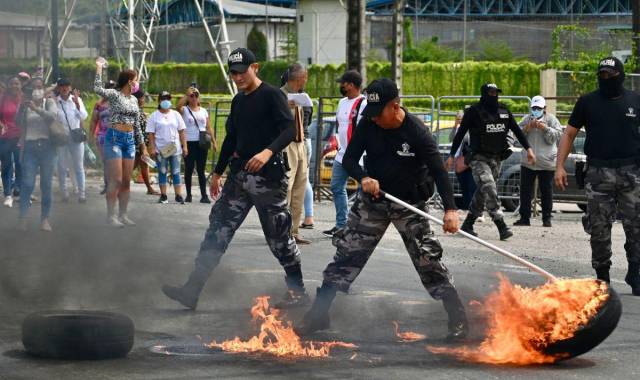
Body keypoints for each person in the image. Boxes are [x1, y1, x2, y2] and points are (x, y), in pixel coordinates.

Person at [296, 79, 468, 340]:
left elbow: (438, 171)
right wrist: (363, 177)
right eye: (370, 113)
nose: (373, 119)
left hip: (409, 204)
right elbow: (350, 158)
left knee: (428, 258)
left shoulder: (417, 132)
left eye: (378, 113)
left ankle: (458, 319)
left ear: (395, 107)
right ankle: (319, 314)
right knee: (347, 253)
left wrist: (451, 210)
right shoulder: (369, 124)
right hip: (374, 200)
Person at [161, 48, 309, 310]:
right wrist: (217, 172)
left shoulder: (272, 95)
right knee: (217, 231)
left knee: (279, 238)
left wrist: (267, 152)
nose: (238, 78)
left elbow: (289, 129)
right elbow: (231, 138)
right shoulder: (239, 100)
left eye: (242, 72)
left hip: (269, 178)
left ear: (256, 68)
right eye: (233, 73)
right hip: (239, 177)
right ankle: (192, 290)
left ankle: (297, 292)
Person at [555, 57, 640, 295]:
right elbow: (569, 134)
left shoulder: (635, 100)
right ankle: (602, 276)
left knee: (636, 227)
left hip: (631, 172)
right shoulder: (587, 102)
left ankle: (635, 271)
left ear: (620, 75)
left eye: (610, 75)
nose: (606, 79)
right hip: (598, 173)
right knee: (599, 229)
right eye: (602, 75)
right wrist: (559, 166)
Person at [447, 83, 536, 240]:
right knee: (489, 186)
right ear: (484, 93)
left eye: (496, 92)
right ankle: (501, 224)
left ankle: (468, 224)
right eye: (491, 92)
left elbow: (516, 129)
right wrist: (451, 155)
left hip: (497, 158)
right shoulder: (474, 112)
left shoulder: (503, 110)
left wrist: (528, 149)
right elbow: (460, 134)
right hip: (478, 158)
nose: (494, 95)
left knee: (483, 191)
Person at [94, 60, 150, 227]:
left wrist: (143, 147)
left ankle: (123, 214)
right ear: (129, 81)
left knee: (126, 181)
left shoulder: (133, 100)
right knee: (116, 180)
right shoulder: (114, 94)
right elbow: (97, 89)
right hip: (114, 138)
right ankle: (110, 216)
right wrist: (99, 67)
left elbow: (137, 125)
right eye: (136, 79)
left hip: (129, 140)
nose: (137, 83)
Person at [323, 70, 367, 237]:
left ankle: (361, 225)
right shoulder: (342, 102)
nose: (341, 86)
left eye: (343, 83)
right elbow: (340, 126)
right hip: (342, 154)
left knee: (364, 190)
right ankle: (341, 225)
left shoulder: (363, 103)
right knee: (336, 186)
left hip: (358, 156)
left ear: (351, 85)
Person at [15, 78, 58, 231]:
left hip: (47, 148)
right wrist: (22, 108)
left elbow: (52, 117)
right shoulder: (26, 105)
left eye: (39, 87)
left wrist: (36, 108)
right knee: (27, 183)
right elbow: (17, 122)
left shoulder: (50, 103)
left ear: (44, 89)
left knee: (46, 184)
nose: (37, 90)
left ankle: (45, 219)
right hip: (30, 147)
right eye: (34, 88)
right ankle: (23, 217)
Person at [514, 96, 562, 227]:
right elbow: (516, 138)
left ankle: (547, 219)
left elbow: (556, 137)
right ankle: (524, 218)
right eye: (534, 108)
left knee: (546, 191)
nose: (536, 110)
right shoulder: (526, 119)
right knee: (525, 191)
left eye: (539, 108)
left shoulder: (551, 119)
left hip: (547, 163)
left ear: (544, 108)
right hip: (528, 162)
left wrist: (544, 128)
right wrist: (526, 129)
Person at [281, 63, 312, 245]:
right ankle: (281, 231)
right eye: (304, 77)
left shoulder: (301, 96)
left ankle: (294, 231)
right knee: (288, 187)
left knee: (300, 187)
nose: (305, 81)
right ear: (298, 78)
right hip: (288, 145)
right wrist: (286, 105)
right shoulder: (280, 95)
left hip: (300, 144)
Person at [147, 91, 188, 204]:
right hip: (161, 149)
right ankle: (164, 195)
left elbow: (182, 131)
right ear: (159, 101)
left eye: (168, 99)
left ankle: (178, 195)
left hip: (175, 149)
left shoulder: (176, 114)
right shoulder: (154, 116)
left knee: (176, 172)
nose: (166, 101)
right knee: (162, 171)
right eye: (164, 98)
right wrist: (152, 148)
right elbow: (151, 134)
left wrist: (185, 146)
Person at [177, 86, 215, 203]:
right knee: (188, 168)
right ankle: (189, 194)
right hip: (189, 142)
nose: (194, 98)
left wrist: (214, 142)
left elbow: (208, 127)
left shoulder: (203, 110)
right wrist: (187, 94)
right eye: (192, 96)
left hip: (202, 142)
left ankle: (204, 195)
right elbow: (177, 107)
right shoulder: (185, 109)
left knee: (201, 169)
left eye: (196, 95)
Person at [54, 78, 88, 203]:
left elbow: (84, 116)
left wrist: (78, 104)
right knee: (62, 166)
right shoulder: (54, 102)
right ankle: (64, 192)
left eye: (67, 86)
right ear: (58, 88)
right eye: (62, 86)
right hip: (61, 138)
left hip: (75, 137)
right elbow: (52, 117)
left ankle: (82, 193)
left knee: (78, 166)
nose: (64, 88)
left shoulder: (77, 100)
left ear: (70, 87)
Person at [89, 79, 115, 195]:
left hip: (116, 136)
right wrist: (91, 135)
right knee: (106, 161)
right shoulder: (99, 104)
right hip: (103, 136)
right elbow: (94, 121)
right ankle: (107, 184)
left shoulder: (119, 103)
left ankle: (115, 184)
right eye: (108, 88)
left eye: (113, 88)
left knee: (115, 161)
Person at [131, 88, 159, 195]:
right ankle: (116, 184)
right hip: (138, 143)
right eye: (142, 98)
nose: (143, 100)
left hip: (142, 143)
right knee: (132, 166)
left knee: (144, 165)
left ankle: (149, 188)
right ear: (137, 99)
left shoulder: (139, 110)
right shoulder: (135, 111)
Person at [0, 77, 23, 207]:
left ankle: (18, 189)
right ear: (8, 86)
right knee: (6, 166)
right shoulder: (2, 99)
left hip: (20, 137)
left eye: (17, 83)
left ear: (20, 86)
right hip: (5, 138)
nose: (15, 86)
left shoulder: (24, 99)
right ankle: (8, 194)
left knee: (20, 164)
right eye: (12, 84)